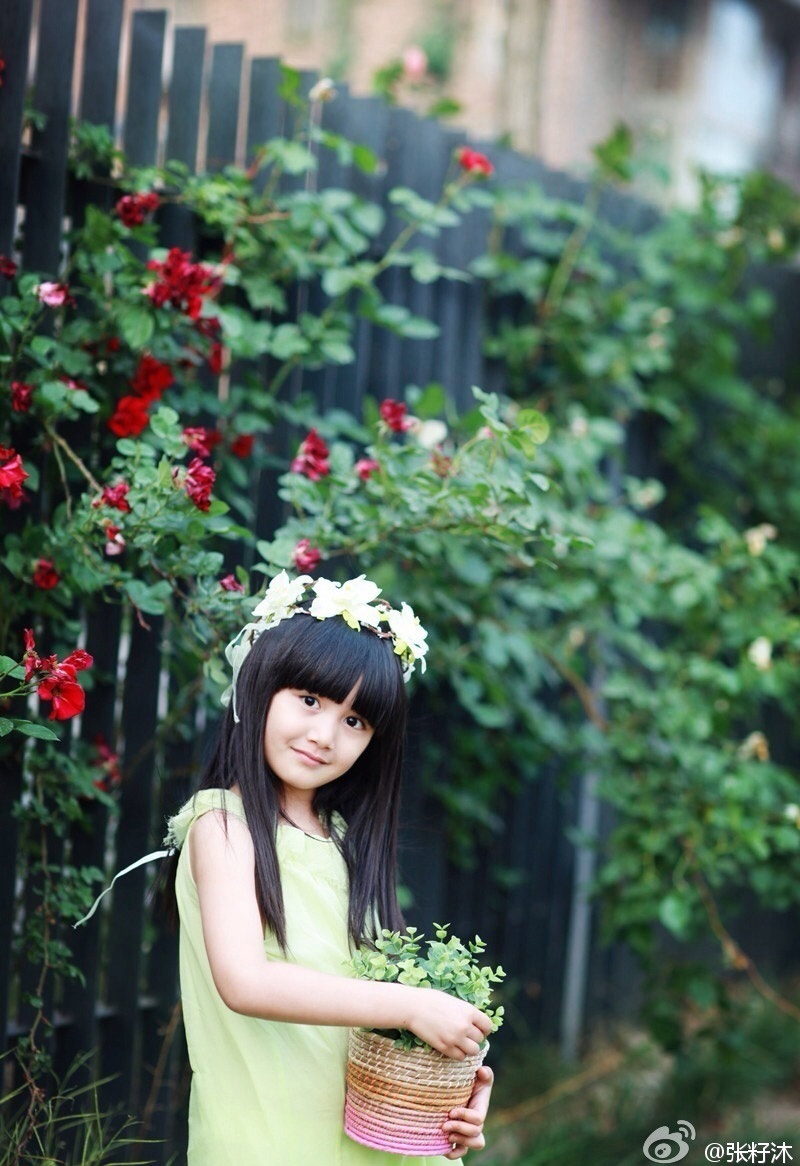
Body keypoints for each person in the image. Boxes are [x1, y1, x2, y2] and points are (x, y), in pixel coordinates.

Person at [161, 571, 495, 1166]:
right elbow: (246, 982)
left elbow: (358, 1010)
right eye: (310, 700)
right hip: (269, 1142)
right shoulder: (223, 825)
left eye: (354, 720)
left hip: (369, 1142)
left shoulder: (341, 839)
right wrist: (411, 1006)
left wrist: (440, 1091)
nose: (324, 735)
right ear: (259, 686)